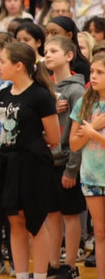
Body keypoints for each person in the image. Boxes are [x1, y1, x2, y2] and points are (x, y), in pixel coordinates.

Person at [0, 42, 61, 279]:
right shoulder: (3, 94)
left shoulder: (40, 96)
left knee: (36, 222)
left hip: (33, 165)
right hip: (8, 164)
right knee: (15, 221)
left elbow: (54, 137)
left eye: (2, 61)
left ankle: (41, 275)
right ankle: (22, 274)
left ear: (18, 66)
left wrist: (31, 140)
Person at [43, 37, 86, 279]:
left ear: (69, 56)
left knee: (70, 215)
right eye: (46, 51)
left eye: (54, 51)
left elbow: (79, 133)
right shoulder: (45, 88)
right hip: (48, 161)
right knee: (51, 214)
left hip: (67, 163)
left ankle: (70, 265)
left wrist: (71, 169)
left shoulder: (76, 90)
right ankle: (53, 264)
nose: (47, 55)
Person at [69, 53, 105, 279]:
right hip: (91, 177)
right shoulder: (85, 102)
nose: (94, 76)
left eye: (100, 72)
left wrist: (92, 133)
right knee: (99, 233)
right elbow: (73, 144)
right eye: (92, 71)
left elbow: (87, 135)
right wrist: (93, 127)